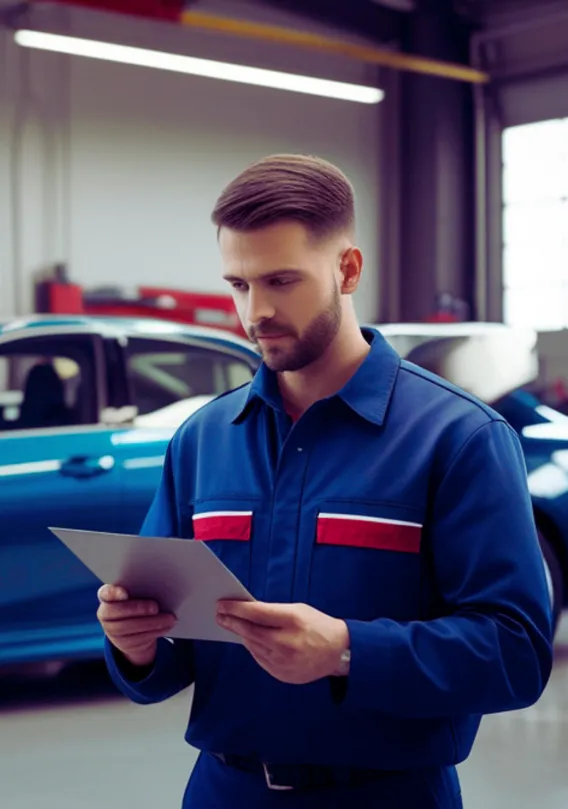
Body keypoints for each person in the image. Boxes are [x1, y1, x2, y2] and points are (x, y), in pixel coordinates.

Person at [97, 154, 553, 809]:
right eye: (239, 284)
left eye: (281, 280)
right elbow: (169, 650)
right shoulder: (203, 439)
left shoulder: (461, 438)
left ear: (347, 269)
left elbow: (515, 653)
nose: (256, 312)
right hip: (223, 791)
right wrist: (135, 642)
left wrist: (348, 650)